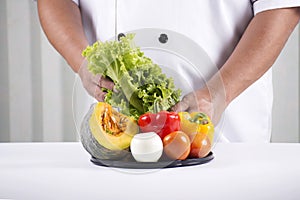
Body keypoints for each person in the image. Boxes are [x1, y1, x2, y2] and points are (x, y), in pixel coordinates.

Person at [37, 0, 300, 142]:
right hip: (113, 132)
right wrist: (84, 63)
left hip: (227, 130)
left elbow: (281, 7)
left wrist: (218, 93)